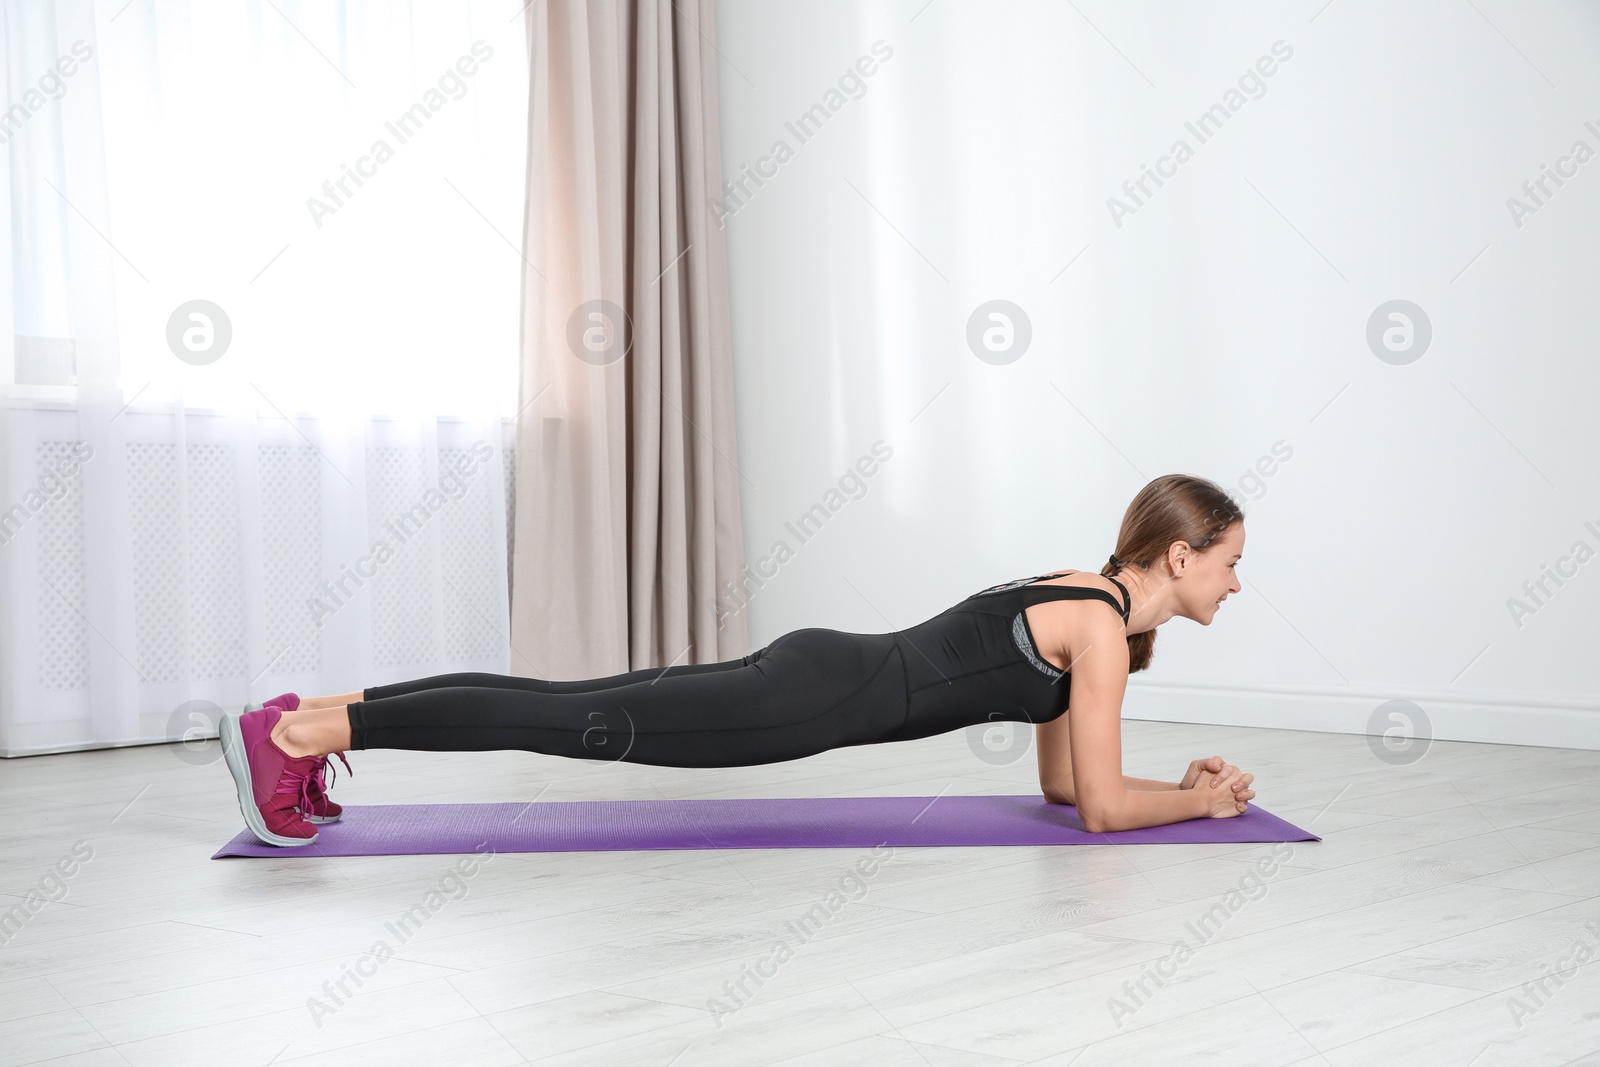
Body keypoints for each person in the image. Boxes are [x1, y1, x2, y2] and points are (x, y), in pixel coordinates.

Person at [220, 473, 1257, 846]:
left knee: (552, 700)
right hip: (801, 703)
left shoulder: (1081, 591)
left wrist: (1167, 784)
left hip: (818, 668)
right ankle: (294, 733)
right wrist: (1199, 801)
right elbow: (1100, 810)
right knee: (550, 716)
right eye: (1228, 564)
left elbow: (1065, 782)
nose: (1234, 584)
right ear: (1180, 554)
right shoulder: (1101, 634)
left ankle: (303, 714)